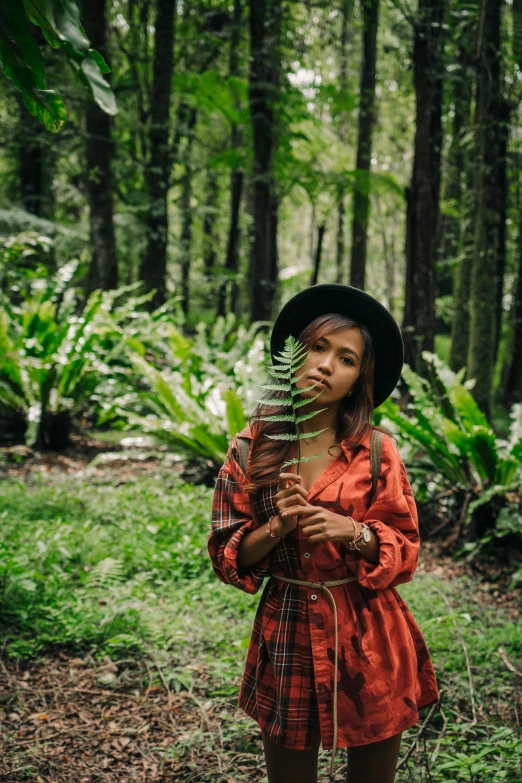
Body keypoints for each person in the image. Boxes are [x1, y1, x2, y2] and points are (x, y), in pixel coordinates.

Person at [208, 284, 439, 783]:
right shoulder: (251, 448)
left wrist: (353, 532)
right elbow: (227, 554)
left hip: (370, 638)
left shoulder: (377, 450)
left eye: (346, 358)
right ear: (295, 355)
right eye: (317, 347)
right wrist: (278, 527)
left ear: (359, 378)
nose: (326, 365)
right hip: (287, 628)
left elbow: (405, 549)